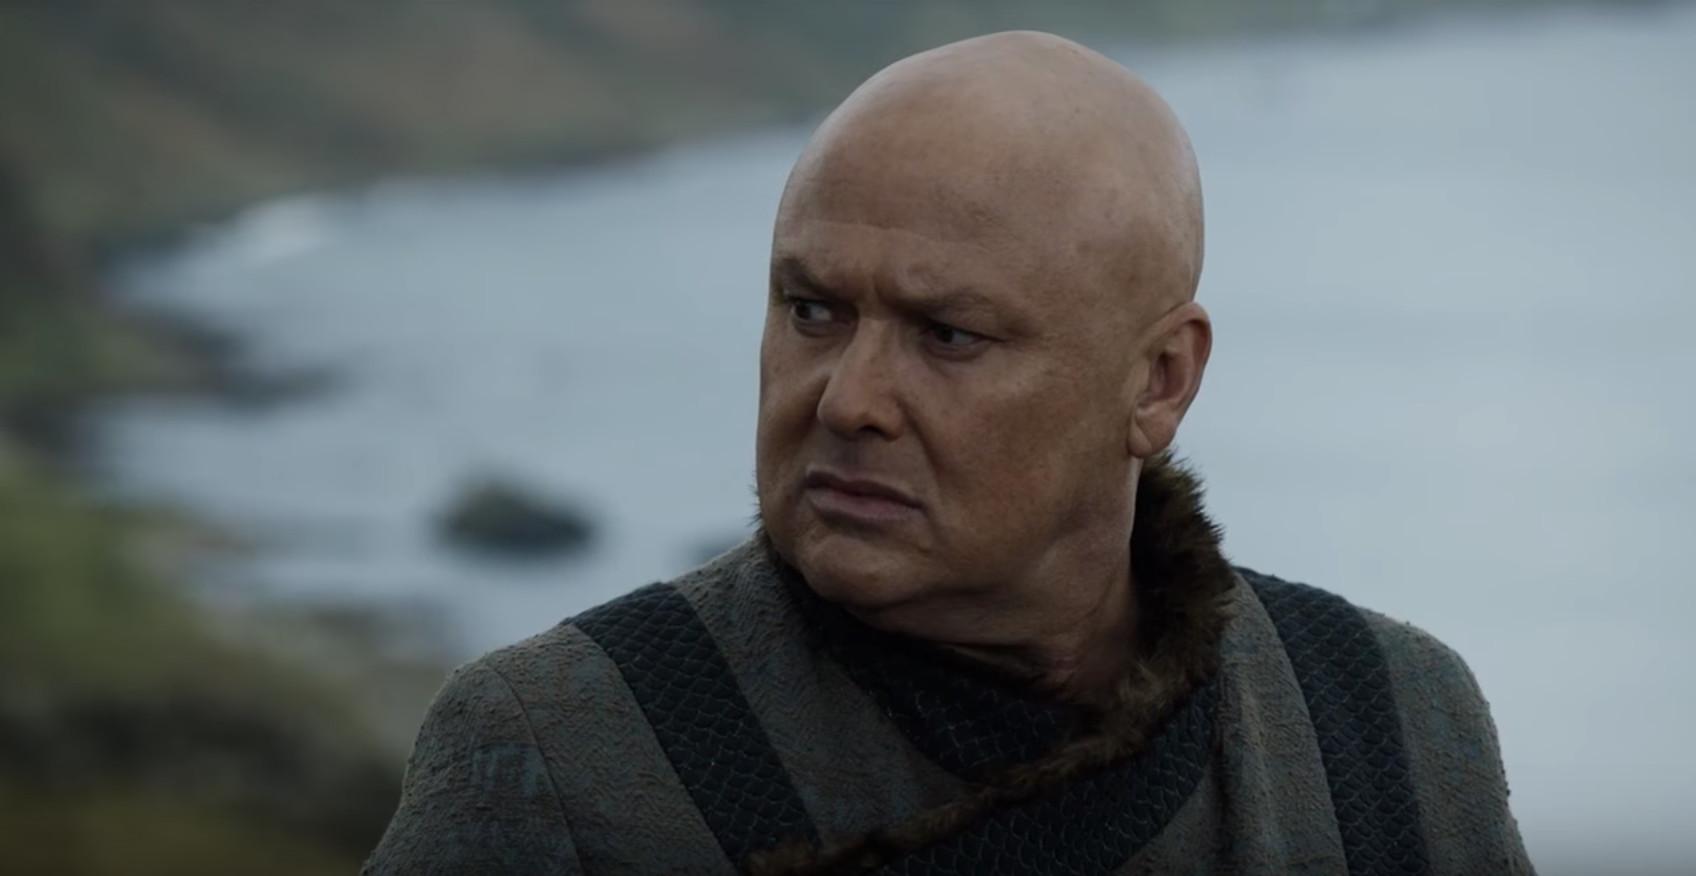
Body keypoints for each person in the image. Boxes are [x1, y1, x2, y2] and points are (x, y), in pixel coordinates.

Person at [365, 31, 1531, 875]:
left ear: (1158, 381)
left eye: (948, 335)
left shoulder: (1387, 723)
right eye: (812, 310)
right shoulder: (561, 753)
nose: (850, 400)